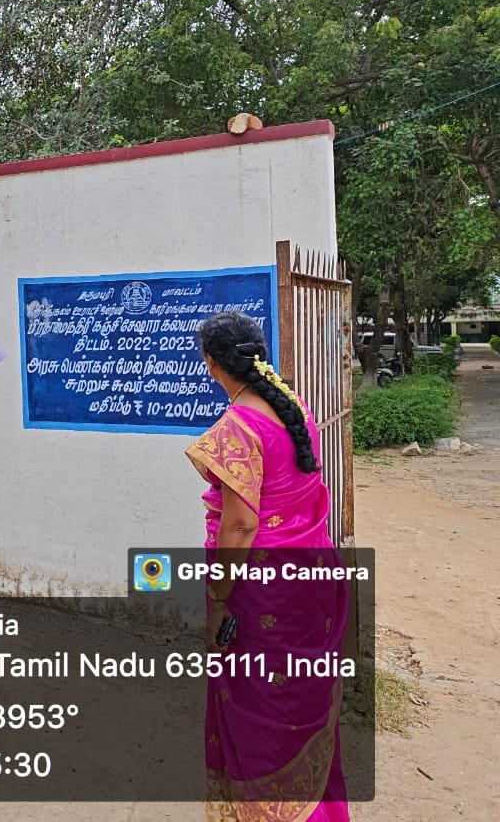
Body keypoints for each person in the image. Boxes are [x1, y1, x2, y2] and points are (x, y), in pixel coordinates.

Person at [185, 311, 349, 820]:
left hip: (264, 591)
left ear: (212, 364)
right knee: (300, 702)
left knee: (261, 709)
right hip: (313, 579)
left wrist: (217, 601)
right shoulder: (291, 405)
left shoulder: (237, 428)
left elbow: (239, 526)